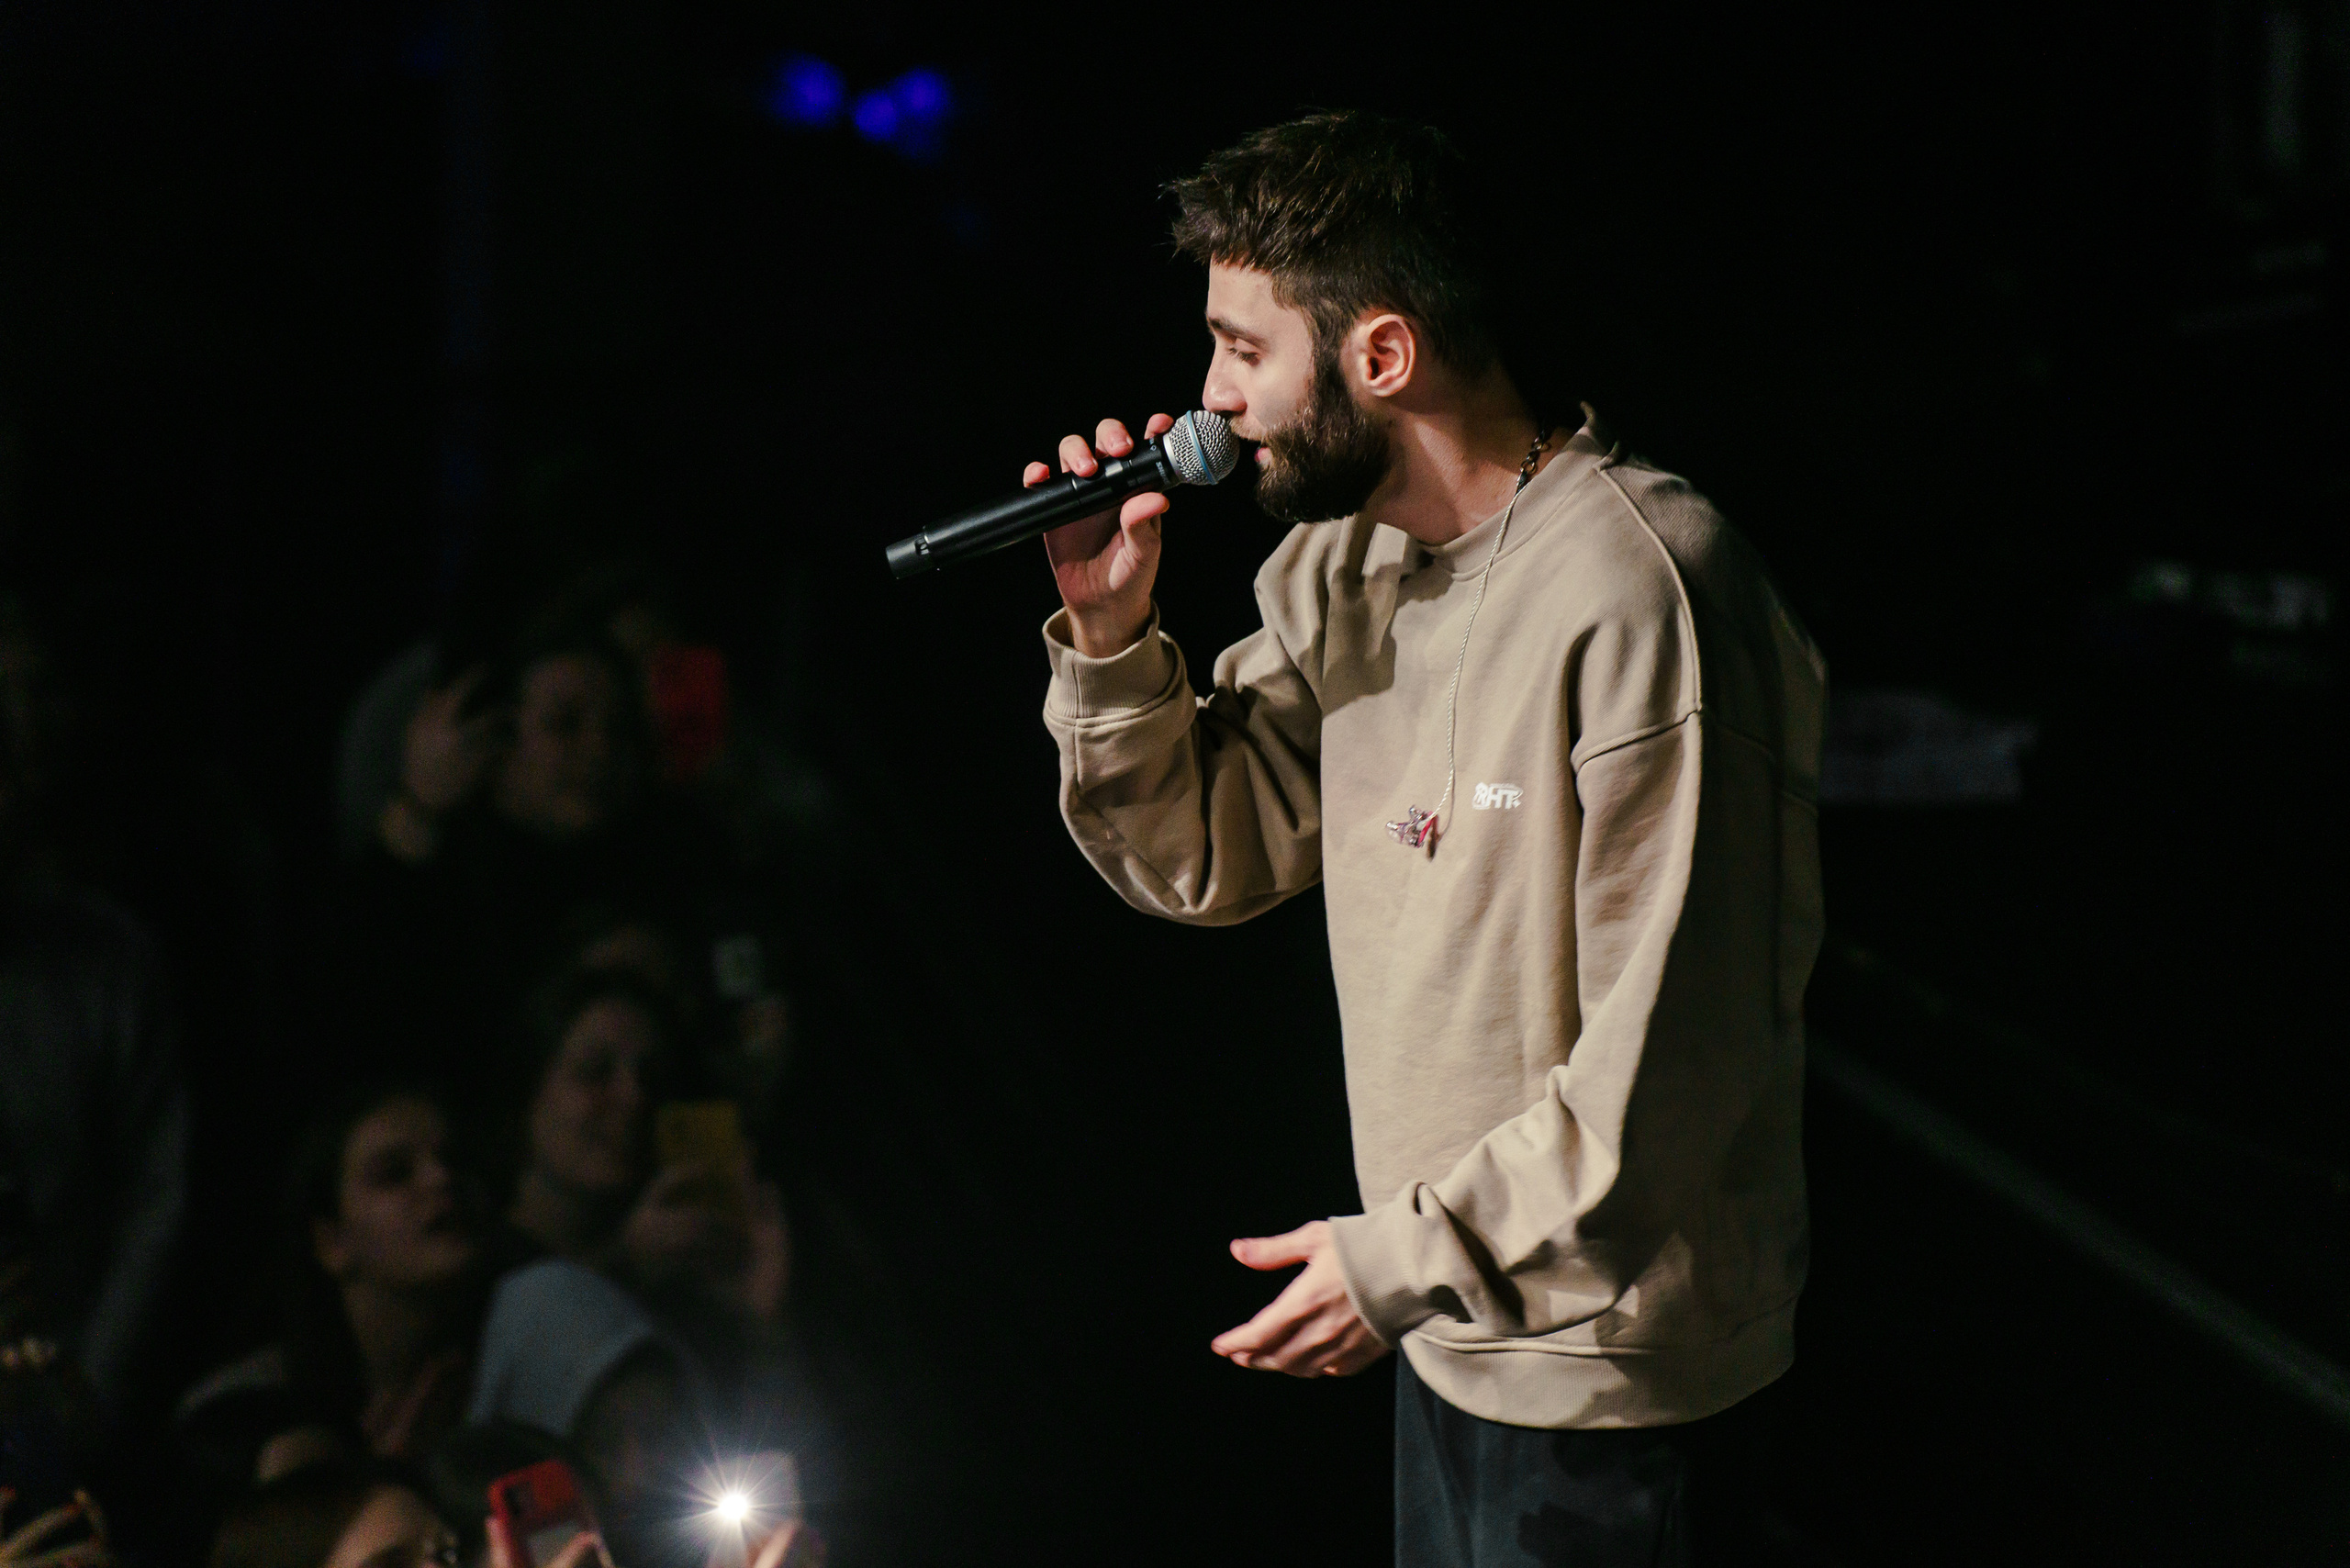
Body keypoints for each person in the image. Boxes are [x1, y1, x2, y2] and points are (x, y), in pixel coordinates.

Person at [1025, 113, 1825, 1565]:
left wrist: (1397, 1260)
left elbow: (1674, 1067)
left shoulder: (1641, 590)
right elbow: (1204, 850)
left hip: (1615, 1381)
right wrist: (1110, 632)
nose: (1208, 402)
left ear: (1381, 357)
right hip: (1454, 1334)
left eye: (1243, 351)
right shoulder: (1345, 566)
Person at [177, 1086, 491, 1487]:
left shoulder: (512, 1342)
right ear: (332, 1243)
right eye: (394, 1173)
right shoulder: (248, 1414)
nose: (441, 1179)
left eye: (454, 1160)